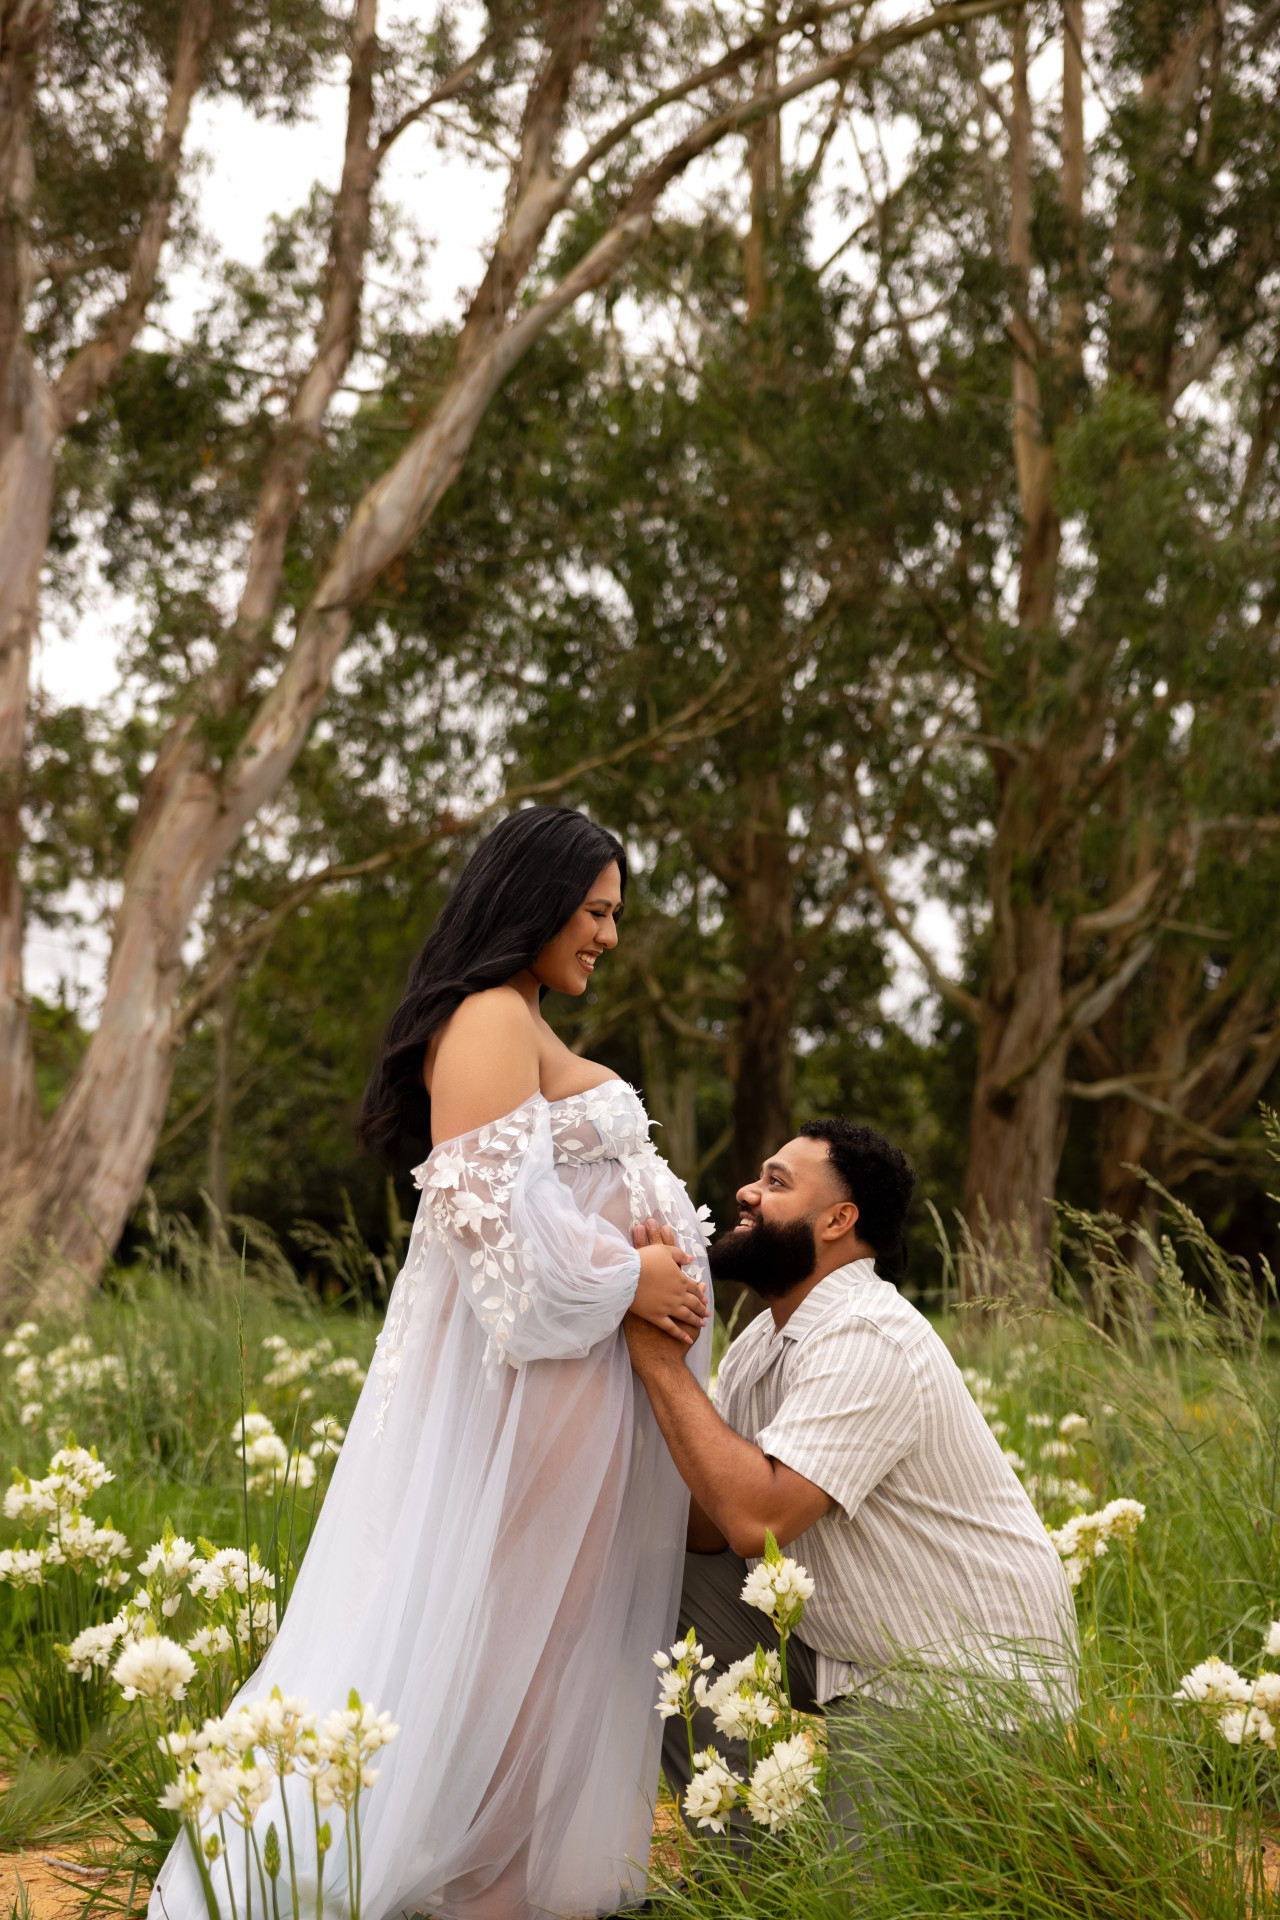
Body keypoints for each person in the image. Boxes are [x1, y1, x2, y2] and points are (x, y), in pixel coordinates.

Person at [149, 807, 713, 1920]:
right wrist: (633, 1280)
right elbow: (503, 1258)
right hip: (542, 1392)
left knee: (541, 1645)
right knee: (510, 1643)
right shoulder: (490, 1022)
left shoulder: (522, 1021)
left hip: (584, 1390)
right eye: (595, 912)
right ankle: (464, 1879)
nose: (606, 935)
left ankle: (492, 1873)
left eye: (614, 915)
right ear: (537, 899)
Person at [624, 1118, 1078, 1844]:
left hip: (957, 1680)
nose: (746, 1191)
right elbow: (709, 1528)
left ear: (838, 1220)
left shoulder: (868, 1337)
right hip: (848, 1647)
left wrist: (656, 1361)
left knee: (856, 1900)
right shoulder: (761, 1343)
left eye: (776, 1182)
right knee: (647, 1580)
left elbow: (754, 1521)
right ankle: (741, 1857)